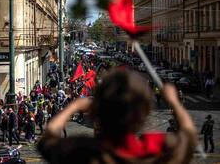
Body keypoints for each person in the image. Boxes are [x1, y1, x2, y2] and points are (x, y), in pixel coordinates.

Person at [38, 69, 197, 164]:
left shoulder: (84, 151)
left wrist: (74, 106)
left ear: (96, 110)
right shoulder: (156, 148)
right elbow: (189, 135)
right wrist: (174, 102)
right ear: (144, 112)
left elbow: (47, 140)